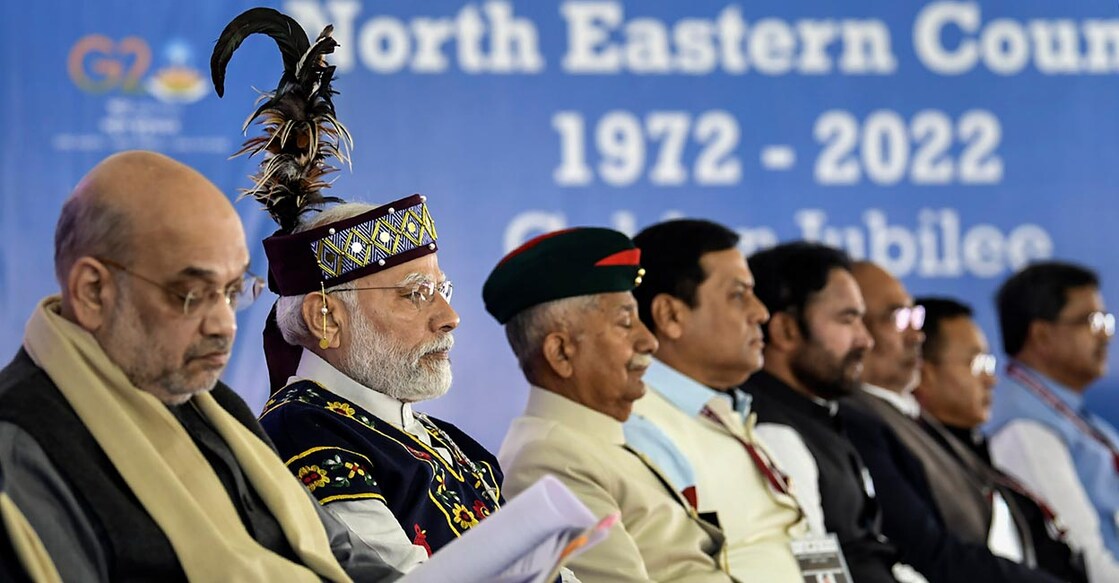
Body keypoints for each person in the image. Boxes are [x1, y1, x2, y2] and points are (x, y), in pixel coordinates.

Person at [0, 150, 399, 581]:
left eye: (232, 292)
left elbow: (336, 552)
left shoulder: (211, 402)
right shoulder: (20, 453)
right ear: (93, 291)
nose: (225, 325)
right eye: (193, 295)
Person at [211, 7, 502, 571]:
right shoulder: (304, 433)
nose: (449, 316)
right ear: (325, 318)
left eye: (442, 289)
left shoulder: (450, 442)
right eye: (415, 293)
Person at [488, 227, 735, 582]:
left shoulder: (594, 440)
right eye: (625, 322)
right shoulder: (548, 459)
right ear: (561, 352)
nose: (649, 341)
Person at [843, 262, 1060, 583]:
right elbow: (927, 551)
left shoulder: (915, 420)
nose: (916, 335)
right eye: (897, 318)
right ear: (853, 329)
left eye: (914, 317)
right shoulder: (856, 421)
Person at [623, 219, 806, 581]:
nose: (761, 312)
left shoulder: (723, 409)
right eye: (738, 295)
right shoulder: (641, 427)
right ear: (670, 315)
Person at [741, 242, 904, 583]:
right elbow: (816, 570)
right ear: (786, 330)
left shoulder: (822, 415)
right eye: (847, 320)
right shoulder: (771, 432)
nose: (865, 340)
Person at [914, 296, 1087, 582]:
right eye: (976, 363)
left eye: (989, 363)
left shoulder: (974, 451)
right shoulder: (920, 462)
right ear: (924, 373)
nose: (990, 379)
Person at [987, 261, 1119, 582]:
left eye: (1105, 320)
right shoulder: (1022, 429)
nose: (1105, 334)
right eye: (1091, 321)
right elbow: (1084, 558)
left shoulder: (1069, 412)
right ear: (1042, 335)